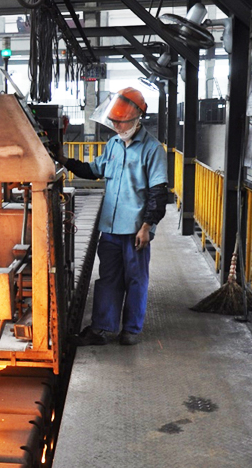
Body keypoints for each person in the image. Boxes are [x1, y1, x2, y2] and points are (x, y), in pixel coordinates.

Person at [53, 87, 168, 346]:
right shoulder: (113, 145)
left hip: (135, 230)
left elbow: (158, 192)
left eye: (122, 122)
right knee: (108, 279)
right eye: (114, 121)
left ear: (137, 118)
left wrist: (147, 226)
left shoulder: (152, 149)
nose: (117, 126)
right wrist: (65, 161)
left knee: (135, 280)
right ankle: (102, 328)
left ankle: (131, 330)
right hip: (111, 228)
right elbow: (93, 170)